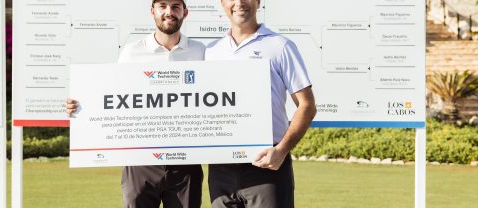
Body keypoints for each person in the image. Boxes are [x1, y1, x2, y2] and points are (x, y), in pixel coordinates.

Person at [66, 0, 205, 207]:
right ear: (152, 11)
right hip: (140, 161)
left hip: (185, 163)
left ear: (185, 12)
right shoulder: (132, 53)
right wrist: (80, 106)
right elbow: (112, 97)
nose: (169, 12)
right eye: (163, 6)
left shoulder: (201, 52)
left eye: (175, 6)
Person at [204, 0, 317, 207]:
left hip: (268, 164)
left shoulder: (280, 46)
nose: (239, 3)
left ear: (258, 2)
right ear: (222, 3)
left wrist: (281, 150)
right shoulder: (211, 51)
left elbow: (307, 105)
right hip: (221, 167)